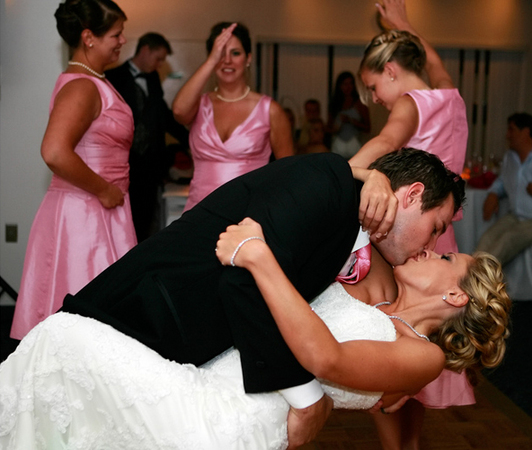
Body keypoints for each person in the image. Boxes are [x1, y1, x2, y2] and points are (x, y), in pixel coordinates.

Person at [56, 148, 464, 447]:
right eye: (436, 227)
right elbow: (243, 280)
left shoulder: (355, 233)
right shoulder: (327, 185)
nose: (430, 243)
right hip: (140, 319)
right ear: (410, 196)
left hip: (197, 366)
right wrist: (308, 401)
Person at [0, 223, 510, 449]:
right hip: (202, 383)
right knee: (58, 359)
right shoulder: (376, 300)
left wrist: (257, 256)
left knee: (59, 343)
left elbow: (325, 357)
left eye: (446, 259)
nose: (433, 250)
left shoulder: (421, 359)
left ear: (456, 298)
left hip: (227, 423)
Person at [348, 1, 470, 446]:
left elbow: (384, 140)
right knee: (426, 337)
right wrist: (403, 24)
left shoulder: (408, 103)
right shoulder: (451, 97)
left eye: (373, 85)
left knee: (388, 330)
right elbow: (435, 66)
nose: (374, 98)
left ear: (393, 69)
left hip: (406, 236)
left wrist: (336, 179)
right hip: (442, 238)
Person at [10, 0, 136, 341]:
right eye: (116, 33)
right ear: (88, 37)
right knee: (87, 321)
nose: (123, 40)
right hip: (85, 217)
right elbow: (54, 151)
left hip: (99, 211)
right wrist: (104, 190)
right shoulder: (82, 86)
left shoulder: (92, 80)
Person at [172, 22, 294, 212]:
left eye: (235, 53)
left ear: (248, 58)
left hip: (249, 214)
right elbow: (179, 111)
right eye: (220, 53)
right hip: (198, 212)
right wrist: (212, 60)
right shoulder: (198, 105)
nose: (227, 60)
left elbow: (287, 174)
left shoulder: (270, 110)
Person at [105, 32, 190, 242]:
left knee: (145, 226)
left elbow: (163, 116)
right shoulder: (112, 78)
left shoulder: (152, 79)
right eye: (158, 58)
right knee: (122, 226)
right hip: (124, 166)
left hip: (151, 167)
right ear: (145, 50)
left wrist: (191, 139)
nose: (160, 64)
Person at [476, 112, 532, 265]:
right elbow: (502, 181)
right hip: (515, 216)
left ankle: (478, 283)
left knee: (505, 242)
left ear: (526, 131)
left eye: (511, 130)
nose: (507, 135)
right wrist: (493, 193)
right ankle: (471, 277)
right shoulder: (510, 157)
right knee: (486, 239)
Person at [327, 71, 371, 159]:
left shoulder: (360, 104)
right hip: (338, 143)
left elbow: (368, 128)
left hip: (354, 143)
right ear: (339, 86)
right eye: (344, 84)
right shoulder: (335, 104)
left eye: (350, 83)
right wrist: (335, 129)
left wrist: (351, 121)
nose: (348, 87)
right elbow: (329, 127)